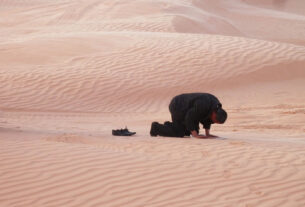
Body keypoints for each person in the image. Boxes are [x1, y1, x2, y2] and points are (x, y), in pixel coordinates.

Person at [150, 93, 227, 138]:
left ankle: (170, 125)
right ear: (214, 114)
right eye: (215, 121)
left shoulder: (215, 106)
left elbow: (207, 119)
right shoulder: (203, 105)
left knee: (192, 131)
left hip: (189, 107)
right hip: (177, 105)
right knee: (179, 132)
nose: (214, 122)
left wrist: (208, 134)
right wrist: (195, 135)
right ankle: (156, 128)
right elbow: (189, 117)